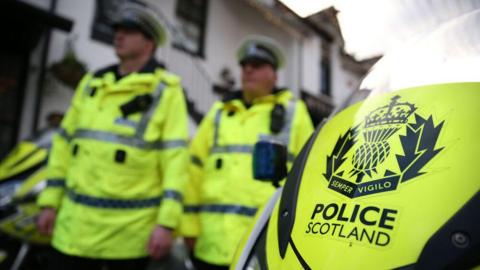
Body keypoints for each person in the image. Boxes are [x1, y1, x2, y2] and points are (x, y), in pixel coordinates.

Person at [36, 2, 189, 270]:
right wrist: (49, 203)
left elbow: (176, 161)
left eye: (129, 30)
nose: (118, 35)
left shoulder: (167, 90)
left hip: (127, 241)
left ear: (150, 43)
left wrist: (167, 224)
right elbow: (63, 145)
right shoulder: (92, 83)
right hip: (72, 232)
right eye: (117, 29)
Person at [180, 35, 314, 269]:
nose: (248, 70)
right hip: (209, 247)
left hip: (262, 249)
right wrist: (189, 227)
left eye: (257, 65)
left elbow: (310, 177)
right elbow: (193, 169)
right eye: (245, 66)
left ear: (274, 74)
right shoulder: (219, 112)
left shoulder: (296, 114)